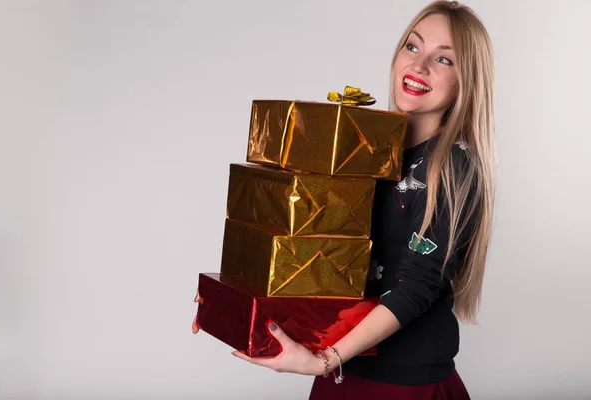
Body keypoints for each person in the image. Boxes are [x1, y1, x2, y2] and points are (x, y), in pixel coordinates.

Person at [194, 1, 496, 398]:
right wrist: (237, 297)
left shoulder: (454, 168)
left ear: (467, 81)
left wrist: (326, 359)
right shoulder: (364, 148)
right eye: (412, 47)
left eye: (444, 59)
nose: (419, 66)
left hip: (398, 384)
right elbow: (312, 247)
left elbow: (416, 287)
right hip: (342, 367)